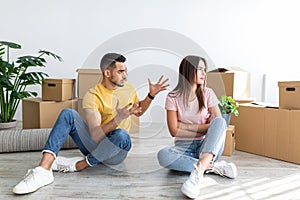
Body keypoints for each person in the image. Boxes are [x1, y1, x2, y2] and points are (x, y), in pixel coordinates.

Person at [13, 53, 169, 194]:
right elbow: (95, 134)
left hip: (116, 152)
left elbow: (139, 110)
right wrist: (118, 118)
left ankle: (81, 165)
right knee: (68, 114)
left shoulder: (128, 88)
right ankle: (43, 170)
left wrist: (150, 95)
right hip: (94, 145)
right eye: (121, 72)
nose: (125, 75)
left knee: (122, 135)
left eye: (125, 71)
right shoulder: (92, 95)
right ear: (107, 73)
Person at [157, 55, 237, 199]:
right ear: (188, 70)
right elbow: (173, 131)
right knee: (162, 156)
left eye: (204, 70)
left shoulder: (208, 93)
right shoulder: (173, 97)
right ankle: (211, 167)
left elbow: (217, 124)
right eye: (200, 69)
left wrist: (185, 126)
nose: (204, 74)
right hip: (183, 147)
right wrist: (205, 127)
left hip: (207, 146)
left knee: (220, 122)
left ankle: (198, 172)